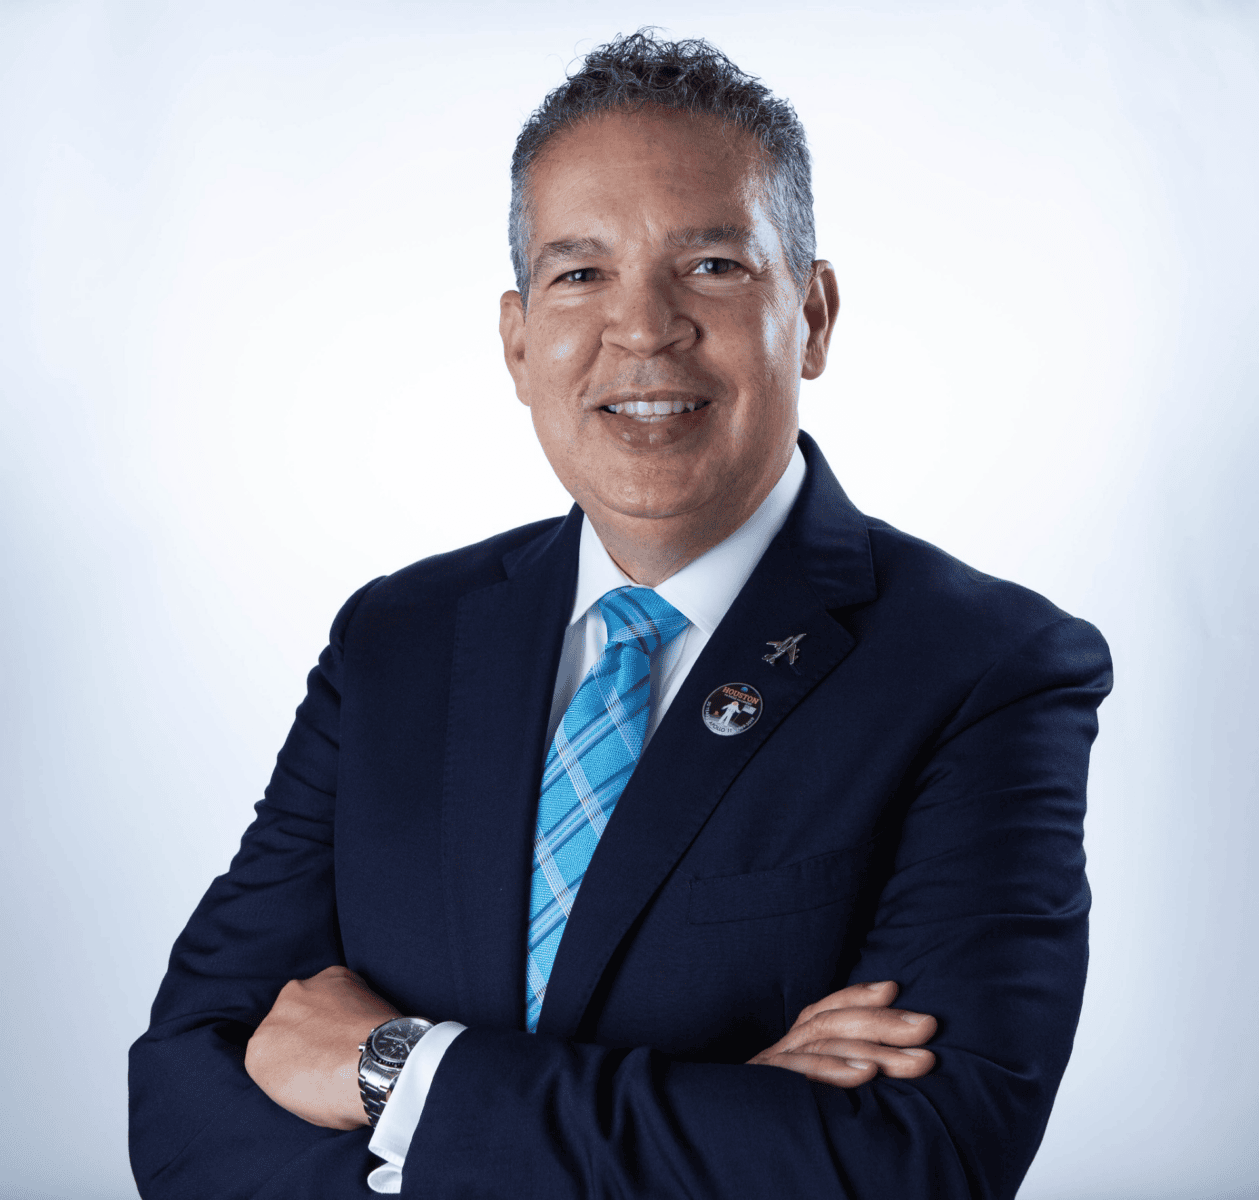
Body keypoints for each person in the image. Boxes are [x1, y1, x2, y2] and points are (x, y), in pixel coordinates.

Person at [129, 31, 1112, 1200]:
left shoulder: (986, 668)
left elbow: (915, 1161)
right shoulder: (394, 641)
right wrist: (727, 1113)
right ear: (516, 341)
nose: (642, 328)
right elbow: (184, 1100)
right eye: (580, 274)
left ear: (811, 315)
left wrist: (400, 1070)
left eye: (711, 265)